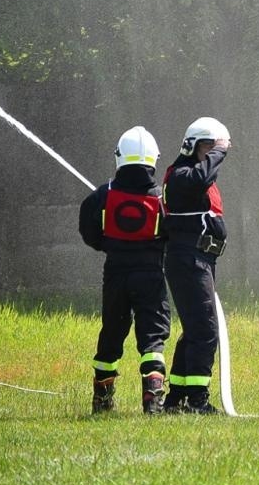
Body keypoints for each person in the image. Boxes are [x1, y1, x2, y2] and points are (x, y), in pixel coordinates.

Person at [79, 126, 170, 414]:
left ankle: (102, 400)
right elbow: (172, 234)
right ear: (153, 158)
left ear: (119, 157)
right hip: (151, 275)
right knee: (153, 337)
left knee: (112, 333)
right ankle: (153, 400)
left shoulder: (102, 195)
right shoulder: (161, 198)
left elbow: (88, 231)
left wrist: (107, 245)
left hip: (115, 274)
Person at [161, 116, 231, 414]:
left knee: (194, 329)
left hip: (199, 259)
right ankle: (197, 400)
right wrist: (220, 150)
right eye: (208, 149)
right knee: (205, 330)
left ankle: (176, 398)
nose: (213, 156)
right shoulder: (181, 175)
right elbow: (200, 178)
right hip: (188, 260)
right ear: (192, 146)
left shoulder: (196, 175)